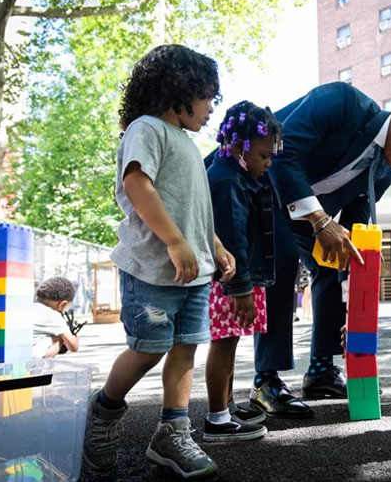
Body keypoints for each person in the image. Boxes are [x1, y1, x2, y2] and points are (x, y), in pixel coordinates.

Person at [244, 82, 391, 419]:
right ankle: (266, 381)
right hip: (261, 189)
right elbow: (281, 151)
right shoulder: (343, 102)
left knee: (333, 266)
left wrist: (355, 302)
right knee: (280, 255)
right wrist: (322, 221)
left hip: (305, 213)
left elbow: (351, 237)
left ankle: (321, 371)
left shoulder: (382, 174)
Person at [83, 44, 236, 479]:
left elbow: (194, 210)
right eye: (206, 96)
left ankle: (172, 430)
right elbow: (137, 184)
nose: (210, 108)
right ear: (178, 89)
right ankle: (105, 410)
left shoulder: (187, 144)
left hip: (193, 272)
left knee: (186, 348)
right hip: (151, 270)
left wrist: (216, 246)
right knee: (148, 350)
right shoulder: (147, 128)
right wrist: (173, 240)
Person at [203, 101, 283, 442]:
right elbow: (232, 237)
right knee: (223, 343)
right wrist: (241, 288)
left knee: (230, 343)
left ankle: (226, 407)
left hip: (235, 280)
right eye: (264, 156)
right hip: (229, 282)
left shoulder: (231, 173)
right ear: (239, 146)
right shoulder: (227, 182)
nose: (268, 163)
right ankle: (217, 419)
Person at [31, 276, 79, 359]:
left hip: (14, 354)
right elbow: (73, 347)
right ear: (62, 305)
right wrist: (74, 338)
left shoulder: (28, 308)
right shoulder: (54, 315)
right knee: (59, 338)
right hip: (32, 362)